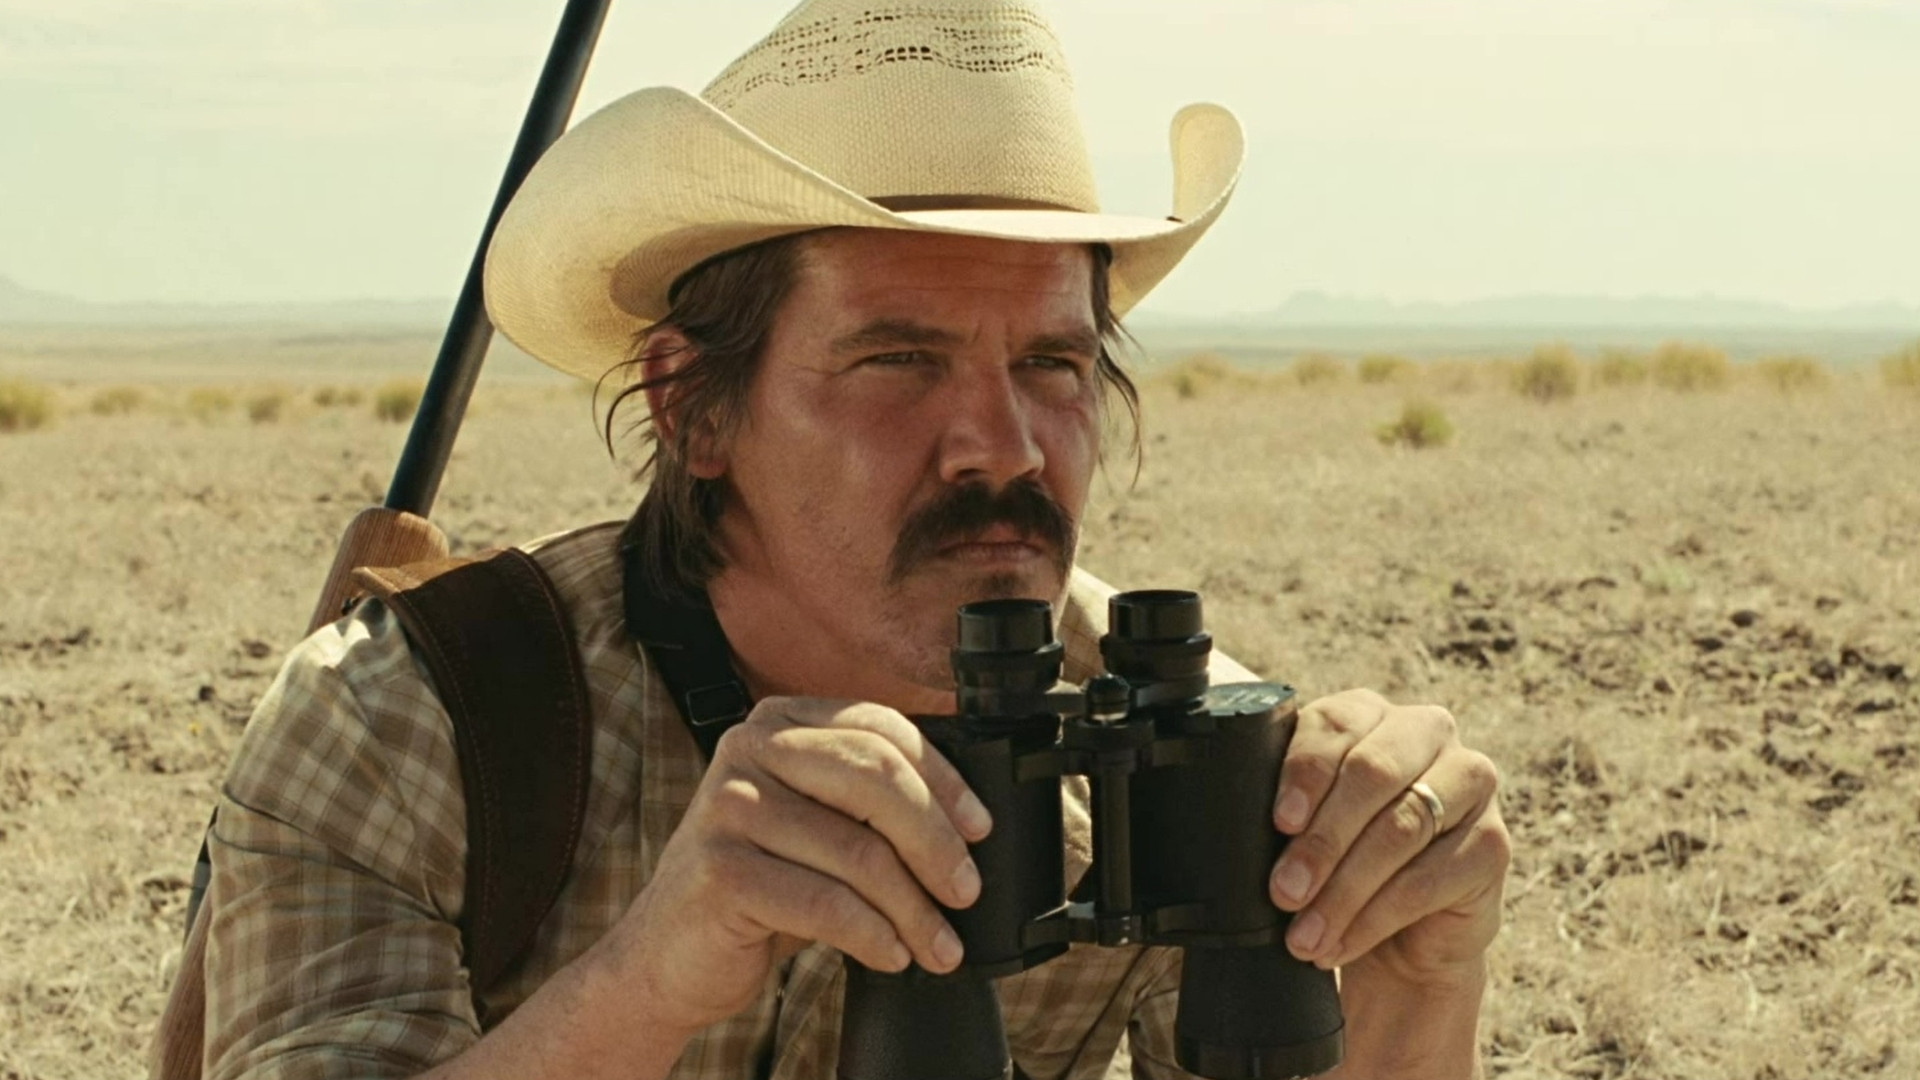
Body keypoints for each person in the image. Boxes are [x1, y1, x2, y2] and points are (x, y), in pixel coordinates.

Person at [200, 1, 1510, 1078]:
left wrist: (1414, 990)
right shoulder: (410, 721)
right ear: (691, 406)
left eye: (1053, 364)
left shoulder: (1169, 758)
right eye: (900, 360)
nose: (1002, 448)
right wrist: (647, 982)